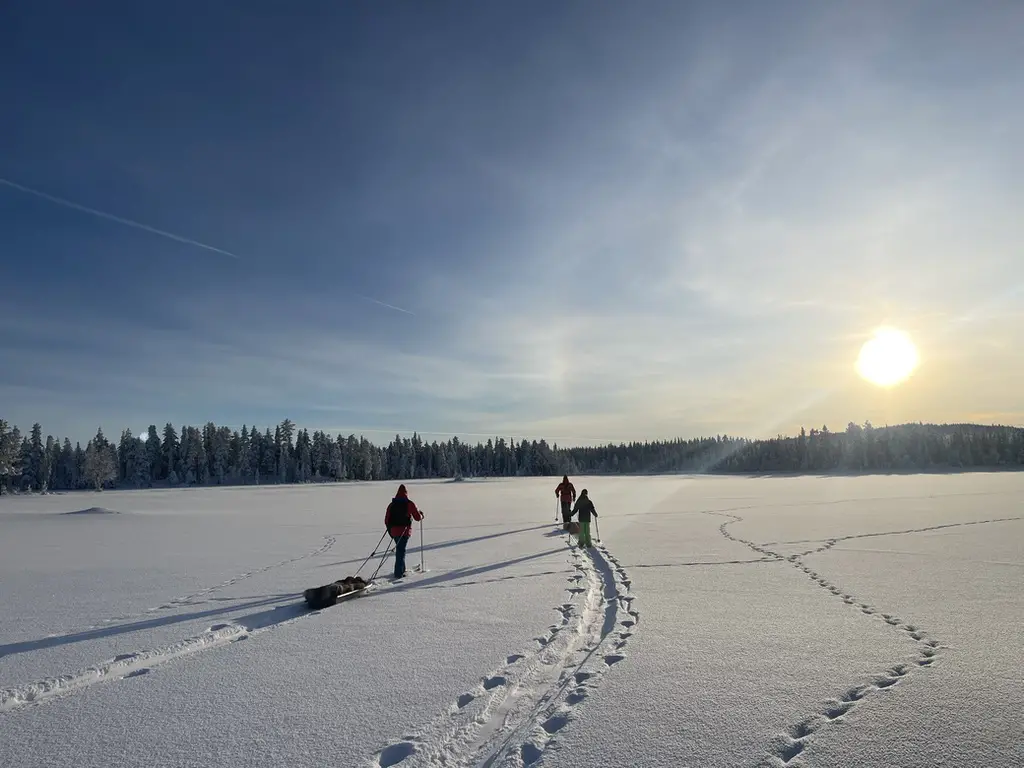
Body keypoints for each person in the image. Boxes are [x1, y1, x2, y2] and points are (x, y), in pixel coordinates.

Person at [385, 484, 423, 579]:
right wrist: (421, 515)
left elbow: (386, 520)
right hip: (404, 531)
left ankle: (402, 569)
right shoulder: (409, 503)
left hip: (394, 531)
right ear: (406, 493)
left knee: (400, 550)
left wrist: (391, 531)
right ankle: (398, 574)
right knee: (401, 551)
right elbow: (417, 517)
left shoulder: (392, 505)